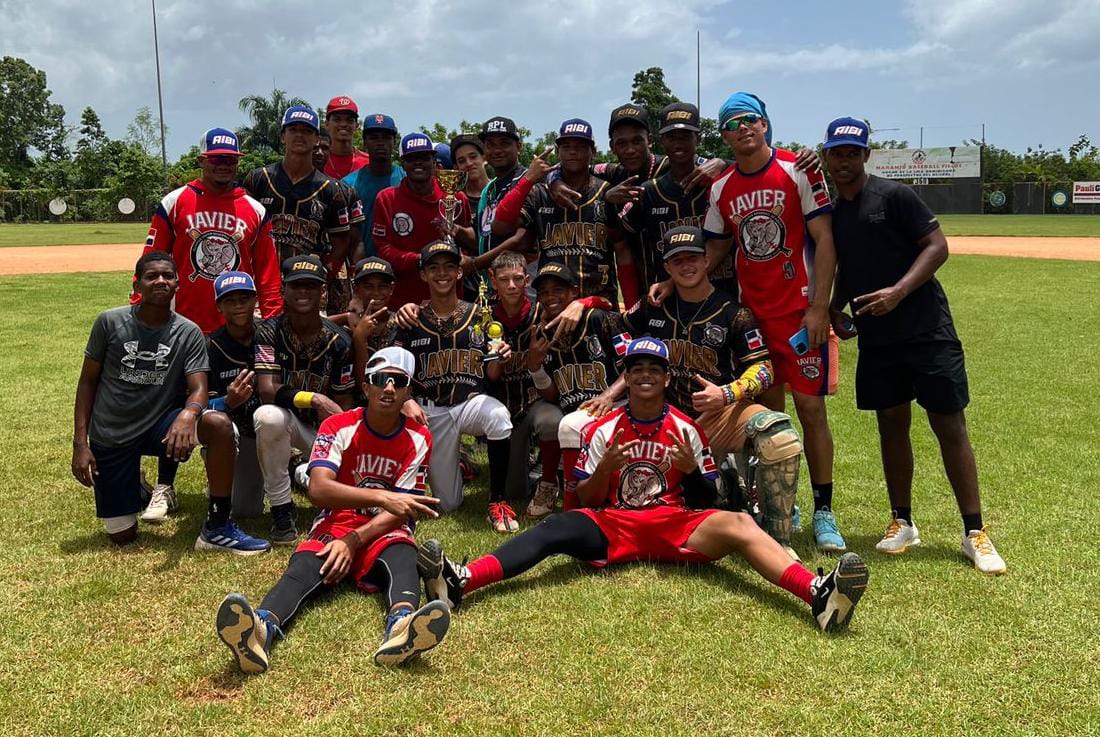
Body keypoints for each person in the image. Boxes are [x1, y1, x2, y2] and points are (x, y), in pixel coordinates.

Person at [416, 338, 870, 634]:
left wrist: (692, 470)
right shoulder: (604, 429)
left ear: (666, 377)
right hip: (616, 523)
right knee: (554, 529)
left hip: (674, 522)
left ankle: (817, 594)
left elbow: (705, 499)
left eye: (654, 368)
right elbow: (586, 500)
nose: (646, 375)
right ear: (627, 377)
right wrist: (604, 470)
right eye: (636, 369)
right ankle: (462, 581)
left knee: (739, 523)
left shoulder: (686, 428)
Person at [822, 117, 1006, 574]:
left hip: (926, 329)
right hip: (878, 336)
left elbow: (937, 247)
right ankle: (902, 521)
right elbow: (848, 265)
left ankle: (974, 531)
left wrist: (898, 292)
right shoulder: (833, 211)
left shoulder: (894, 196)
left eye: (852, 153)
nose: (844, 161)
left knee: (948, 423)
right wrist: (835, 307)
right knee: (891, 423)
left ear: (866, 155)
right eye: (836, 153)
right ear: (826, 156)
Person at [673, 91, 845, 550]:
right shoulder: (721, 187)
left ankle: (824, 510)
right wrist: (674, 283)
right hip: (754, 317)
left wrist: (819, 307)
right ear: (724, 136)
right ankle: (780, 503)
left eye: (750, 119)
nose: (742, 128)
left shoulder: (798, 169)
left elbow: (825, 238)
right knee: (769, 416)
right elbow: (715, 247)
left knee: (811, 410)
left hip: (799, 313)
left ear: (765, 124)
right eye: (731, 124)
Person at [216, 347, 450, 673]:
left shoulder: (419, 436)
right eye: (380, 380)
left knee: (402, 554)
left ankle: (402, 627)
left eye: (399, 382)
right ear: (365, 386)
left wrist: (355, 540)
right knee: (302, 567)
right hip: (337, 521)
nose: (389, 388)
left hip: (385, 527)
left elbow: (403, 509)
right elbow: (319, 489)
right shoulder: (338, 425)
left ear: (408, 391)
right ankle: (260, 630)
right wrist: (381, 498)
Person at [623, 226, 812, 552]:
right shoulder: (654, 305)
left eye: (692, 258)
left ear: (706, 260)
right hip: (665, 423)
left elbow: (764, 368)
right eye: (677, 261)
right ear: (667, 268)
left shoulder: (732, 313)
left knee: (778, 434)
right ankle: (725, 483)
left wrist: (726, 393)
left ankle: (777, 540)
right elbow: (615, 328)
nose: (686, 266)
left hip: (719, 415)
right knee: (663, 507)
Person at [71, 252, 270, 554]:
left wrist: (189, 414)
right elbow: (87, 382)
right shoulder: (110, 322)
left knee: (218, 425)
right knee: (122, 535)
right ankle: (136, 488)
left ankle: (217, 527)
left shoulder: (188, 331)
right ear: (137, 284)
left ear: (178, 284)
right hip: (112, 434)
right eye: (152, 276)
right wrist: (80, 444)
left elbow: (199, 388)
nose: (161, 281)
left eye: (167, 276)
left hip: (158, 428)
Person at [393, 241, 514, 530]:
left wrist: (501, 358)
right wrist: (406, 399)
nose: (442, 274)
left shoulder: (481, 316)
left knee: (498, 416)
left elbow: (492, 374)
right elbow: (394, 368)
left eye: (449, 267)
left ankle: (498, 501)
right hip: (431, 411)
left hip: (469, 403)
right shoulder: (411, 319)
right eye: (433, 268)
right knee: (449, 503)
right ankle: (462, 465)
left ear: (459, 273)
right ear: (423, 275)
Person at [252, 255, 356, 545]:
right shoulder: (268, 331)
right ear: (283, 289)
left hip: (324, 432)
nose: (303, 292)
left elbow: (344, 402)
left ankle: (302, 471)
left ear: (323, 291)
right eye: (296, 286)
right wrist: (315, 399)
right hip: (287, 424)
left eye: (311, 286)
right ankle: (282, 509)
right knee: (268, 416)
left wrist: (339, 448)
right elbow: (267, 389)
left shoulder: (340, 341)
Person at [137, 127, 281, 335]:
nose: (223, 165)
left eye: (230, 160)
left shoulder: (255, 210)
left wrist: (272, 322)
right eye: (216, 159)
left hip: (237, 330)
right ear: (201, 160)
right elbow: (149, 263)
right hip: (182, 325)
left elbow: (268, 274)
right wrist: (138, 309)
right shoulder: (175, 202)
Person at [490, 118, 639, 307]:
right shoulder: (540, 193)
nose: (573, 152)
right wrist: (527, 180)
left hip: (598, 305)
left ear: (593, 152)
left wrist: (631, 308)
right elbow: (500, 227)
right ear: (558, 151)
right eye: (566, 146)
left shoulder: (607, 192)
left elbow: (622, 250)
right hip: (551, 306)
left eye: (580, 146)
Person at [528, 263, 629, 513]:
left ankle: (571, 507)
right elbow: (554, 394)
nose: (550, 297)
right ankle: (557, 490)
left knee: (569, 424)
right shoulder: (542, 333)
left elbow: (635, 366)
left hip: (617, 406)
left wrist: (608, 396)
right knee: (565, 421)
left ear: (574, 292)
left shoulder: (597, 319)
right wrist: (535, 368)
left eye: (557, 290)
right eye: (544, 292)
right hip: (578, 411)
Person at [240, 105, 352, 306]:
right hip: (262, 285)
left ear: (317, 139)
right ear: (283, 136)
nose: (299, 135)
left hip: (307, 287)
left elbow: (341, 243)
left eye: (307, 131)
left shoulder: (331, 189)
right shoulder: (258, 179)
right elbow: (242, 232)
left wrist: (324, 275)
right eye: (293, 130)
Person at [481, 252, 563, 513]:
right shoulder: (484, 317)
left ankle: (549, 480)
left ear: (527, 280)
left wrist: (535, 362)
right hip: (504, 407)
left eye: (518, 279)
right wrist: (498, 361)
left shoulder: (543, 314)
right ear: (493, 280)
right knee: (515, 490)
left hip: (535, 401)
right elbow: (490, 376)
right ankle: (530, 464)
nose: (512, 286)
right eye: (504, 280)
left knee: (552, 420)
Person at [372, 133, 475, 308]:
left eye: (424, 157)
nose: (418, 163)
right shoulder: (386, 198)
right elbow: (383, 250)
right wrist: (423, 259)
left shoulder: (456, 197)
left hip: (450, 298)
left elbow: (471, 243)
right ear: (402, 163)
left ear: (434, 161)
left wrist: (458, 239)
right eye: (412, 158)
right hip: (403, 301)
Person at [206, 271, 267, 518]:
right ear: (219, 307)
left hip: (273, 427)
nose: (239, 306)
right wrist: (227, 401)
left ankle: (292, 468)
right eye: (230, 301)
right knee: (245, 509)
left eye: (244, 299)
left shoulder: (271, 333)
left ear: (255, 301)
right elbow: (201, 406)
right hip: (238, 433)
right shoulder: (211, 345)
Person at [343, 114, 404, 258]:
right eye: (374, 138)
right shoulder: (348, 185)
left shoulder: (406, 180)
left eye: (386, 138)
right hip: (363, 265)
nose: (380, 143)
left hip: (400, 262)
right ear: (364, 143)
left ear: (394, 142)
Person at [322, 95, 370, 179]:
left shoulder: (369, 162)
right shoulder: (317, 160)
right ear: (326, 124)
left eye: (349, 120)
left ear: (356, 126)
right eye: (337, 120)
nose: (343, 124)